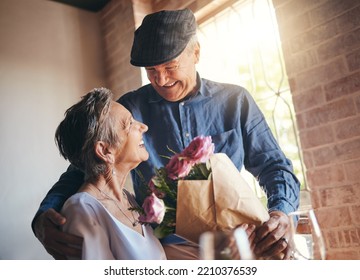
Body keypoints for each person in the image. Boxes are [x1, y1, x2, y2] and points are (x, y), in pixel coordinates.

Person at [32, 9, 300, 260]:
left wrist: (281, 212)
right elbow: (86, 164)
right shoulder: (130, 109)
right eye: (151, 71)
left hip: (241, 242)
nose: (160, 80)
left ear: (195, 53)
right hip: (168, 250)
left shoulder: (236, 101)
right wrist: (45, 215)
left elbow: (275, 167)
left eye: (170, 66)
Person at [50, 87, 166, 259]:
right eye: (130, 124)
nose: (143, 127)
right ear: (105, 151)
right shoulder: (82, 210)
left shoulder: (129, 199)